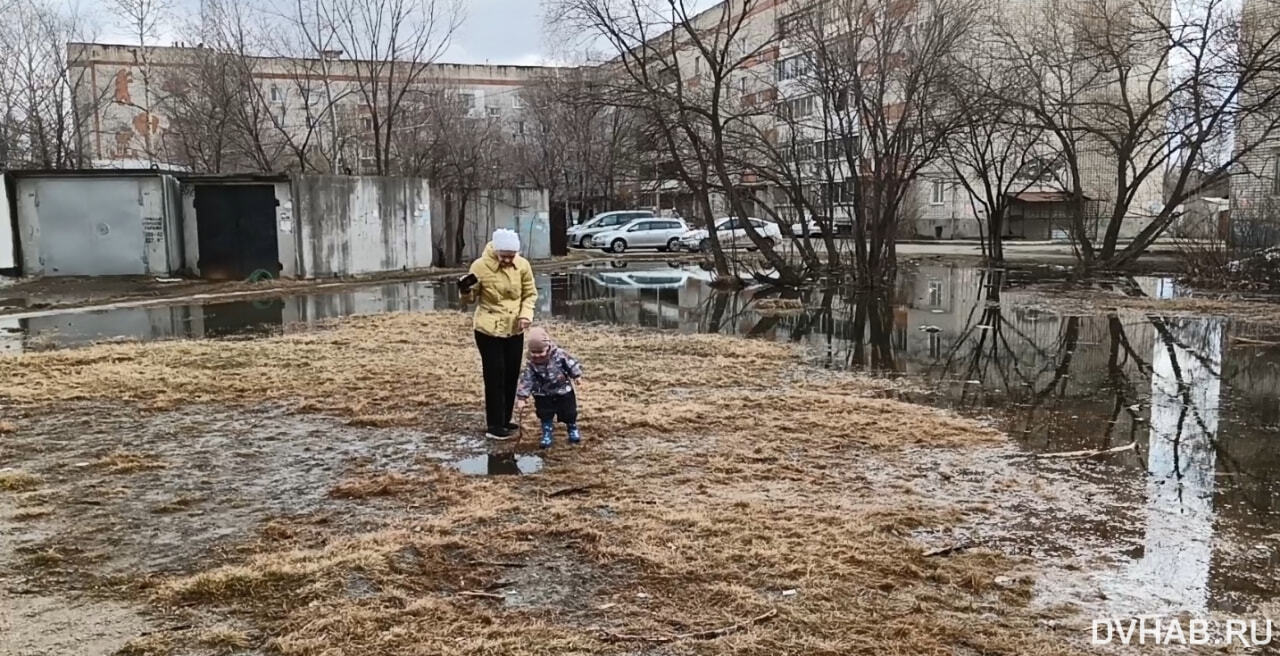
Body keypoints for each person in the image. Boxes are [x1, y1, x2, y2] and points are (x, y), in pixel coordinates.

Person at [459, 228, 537, 440]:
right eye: (504, 256)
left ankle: (505, 419)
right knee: (495, 375)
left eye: (511, 256)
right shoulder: (479, 266)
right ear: (496, 251)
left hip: (514, 329)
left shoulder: (523, 266)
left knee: (511, 374)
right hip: (488, 330)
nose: (507, 260)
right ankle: (494, 425)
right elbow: (470, 299)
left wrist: (525, 315)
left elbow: (530, 294)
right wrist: (465, 290)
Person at [515, 327, 583, 449]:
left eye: (540, 352)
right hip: (542, 394)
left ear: (548, 347)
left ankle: (572, 427)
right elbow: (526, 379)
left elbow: (571, 364)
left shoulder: (559, 355)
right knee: (544, 413)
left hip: (563, 390)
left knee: (569, 411)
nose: (537, 355)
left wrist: (576, 375)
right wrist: (522, 397)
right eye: (534, 352)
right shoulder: (531, 363)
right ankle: (547, 432)